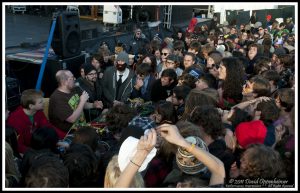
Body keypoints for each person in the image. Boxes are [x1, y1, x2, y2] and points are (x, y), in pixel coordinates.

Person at [49, 70, 101, 137]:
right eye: (72, 78)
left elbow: (80, 105)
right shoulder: (57, 98)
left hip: (81, 127)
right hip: (70, 134)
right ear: (65, 82)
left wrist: (93, 105)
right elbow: (72, 119)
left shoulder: (73, 89)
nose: (75, 79)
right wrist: (82, 101)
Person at [7, 89, 60, 154]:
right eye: (40, 102)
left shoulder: (38, 111)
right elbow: (18, 145)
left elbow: (48, 127)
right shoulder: (15, 120)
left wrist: (63, 137)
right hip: (28, 152)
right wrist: (36, 153)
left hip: (37, 145)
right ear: (31, 106)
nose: (43, 103)